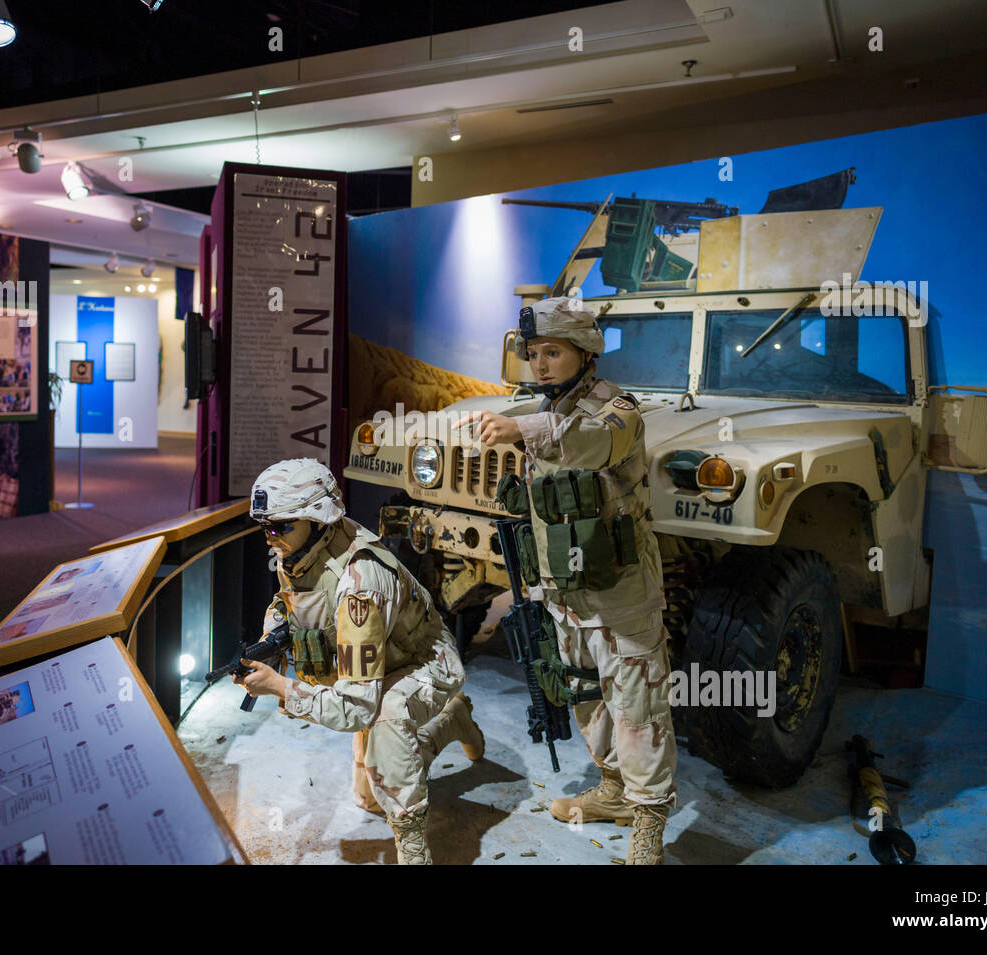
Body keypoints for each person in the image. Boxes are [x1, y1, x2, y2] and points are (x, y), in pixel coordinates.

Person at [461, 295, 677, 865]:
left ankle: (649, 823)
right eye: (533, 353)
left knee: (639, 707)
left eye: (552, 352)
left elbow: (592, 442)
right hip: (564, 592)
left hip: (621, 592)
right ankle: (614, 790)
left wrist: (520, 427)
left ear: (585, 353)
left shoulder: (618, 410)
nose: (540, 364)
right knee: (584, 693)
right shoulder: (547, 409)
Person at [233, 458, 485, 864]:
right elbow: (289, 602)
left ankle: (414, 849)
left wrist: (279, 688)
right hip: (382, 662)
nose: (270, 538)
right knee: (369, 797)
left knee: (386, 718)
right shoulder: (301, 550)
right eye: (265, 527)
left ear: (317, 519)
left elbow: (356, 707)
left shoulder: (359, 586)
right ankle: (451, 722)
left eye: (280, 527)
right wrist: (272, 638)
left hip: (426, 662)